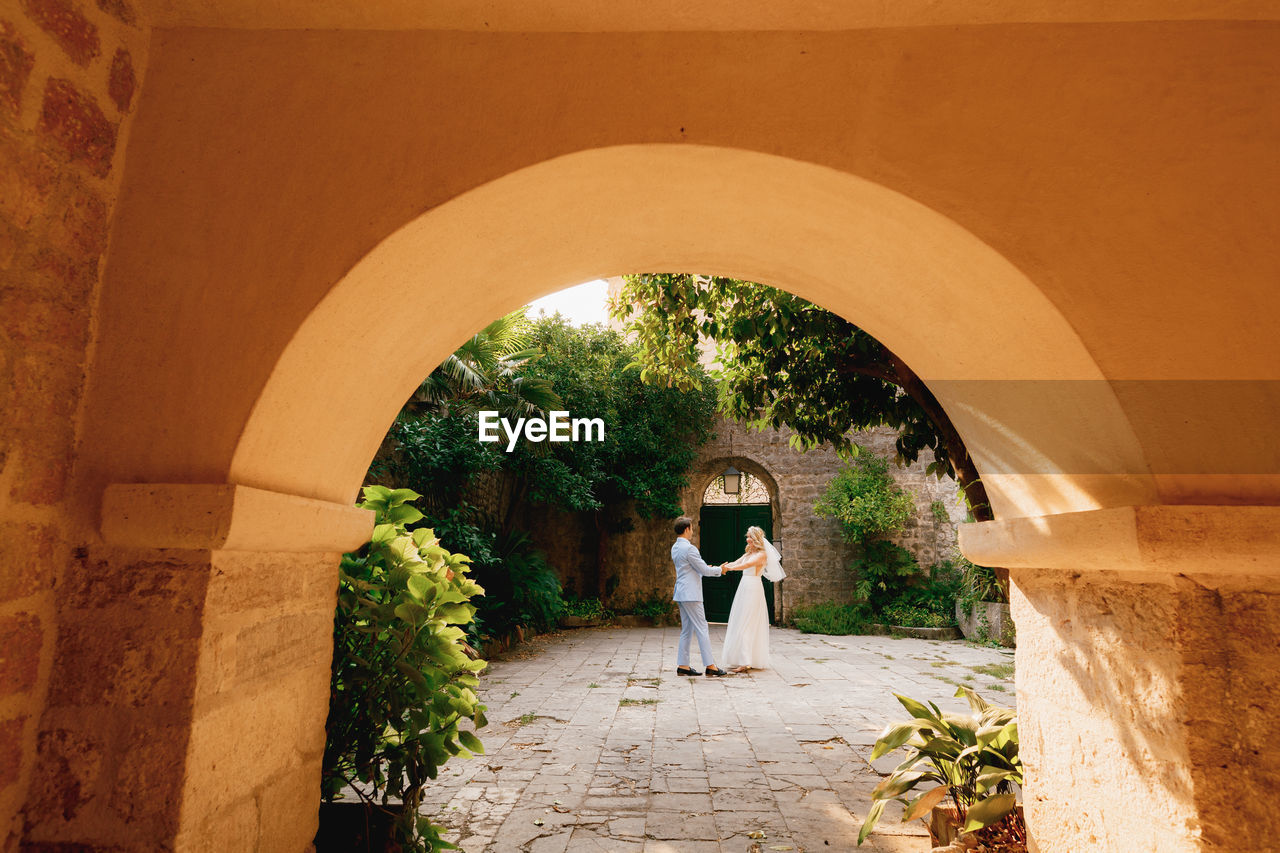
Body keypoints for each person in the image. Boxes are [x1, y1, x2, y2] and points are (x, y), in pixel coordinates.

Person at [719, 526, 786, 673]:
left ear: (756, 538)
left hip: (753, 588)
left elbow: (746, 565)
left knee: (747, 622)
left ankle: (745, 662)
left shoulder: (762, 555)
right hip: (744, 587)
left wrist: (728, 570)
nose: (747, 539)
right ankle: (742, 659)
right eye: (747, 536)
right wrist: (721, 568)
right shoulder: (749, 552)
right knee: (740, 620)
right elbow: (737, 562)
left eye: (750, 536)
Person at [670, 516, 731, 677]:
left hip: (681, 592)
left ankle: (683, 665)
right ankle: (710, 666)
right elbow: (704, 570)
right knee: (702, 628)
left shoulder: (675, 547)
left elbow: (690, 569)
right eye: (691, 528)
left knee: (687, 630)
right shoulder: (689, 548)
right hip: (691, 594)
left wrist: (706, 568)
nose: (692, 531)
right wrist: (720, 569)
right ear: (687, 529)